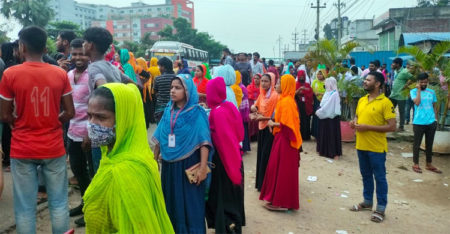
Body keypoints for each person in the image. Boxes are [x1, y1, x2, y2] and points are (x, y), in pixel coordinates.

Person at [0, 26, 75, 234]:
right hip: (53, 147)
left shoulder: (10, 74)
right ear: (45, 47)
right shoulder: (60, 74)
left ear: (22, 47)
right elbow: (70, 111)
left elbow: (3, 115)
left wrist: (16, 121)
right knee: (59, 202)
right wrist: (54, 119)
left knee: (25, 207)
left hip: (22, 148)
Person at [83, 84, 174, 233]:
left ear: (123, 119)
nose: (92, 124)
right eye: (90, 116)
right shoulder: (113, 157)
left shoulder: (126, 171)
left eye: (101, 117)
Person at [152, 74, 213, 233]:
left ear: (187, 91)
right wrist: (154, 158)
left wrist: (202, 167)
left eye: (177, 88)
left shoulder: (196, 112)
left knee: (189, 201)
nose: (172, 91)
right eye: (172, 87)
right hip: (169, 165)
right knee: (171, 199)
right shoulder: (168, 110)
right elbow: (160, 135)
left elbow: (204, 141)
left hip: (189, 163)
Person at [82, 27, 133, 173]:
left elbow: (103, 88)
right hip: (117, 125)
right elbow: (135, 85)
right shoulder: (112, 67)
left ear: (90, 45)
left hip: (101, 128)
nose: (83, 45)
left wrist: (89, 133)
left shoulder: (93, 68)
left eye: (85, 42)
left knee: (101, 172)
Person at [349, 71, 396, 223]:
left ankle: (381, 207)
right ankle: (368, 201)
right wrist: (353, 122)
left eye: (368, 80)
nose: (365, 81)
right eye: (365, 79)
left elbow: (392, 126)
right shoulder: (362, 100)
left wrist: (367, 127)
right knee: (366, 175)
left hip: (376, 148)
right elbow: (357, 117)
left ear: (377, 84)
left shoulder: (385, 102)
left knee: (380, 178)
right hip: (361, 145)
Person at [205, 77, 246, 234]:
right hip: (235, 156)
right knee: (232, 194)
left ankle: (227, 226)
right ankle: (233, 224)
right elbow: (239, 134)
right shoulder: (229, 106)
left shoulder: (217, 112)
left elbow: (223, 140)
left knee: (223, 195)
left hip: (223, 160)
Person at [260, 74, 302, 211]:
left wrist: (273, 123)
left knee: (282, 170)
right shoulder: (284, 99)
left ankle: (282, 202)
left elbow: (289, 126)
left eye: (279, 83)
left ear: (285, 86)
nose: (276, 85)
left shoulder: (287, 102)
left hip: (286, 141)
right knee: (277, 168)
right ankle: (278, 199)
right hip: (281, 138)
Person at [65, 38, 92, 227]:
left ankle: (92, 210)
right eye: (74, 54)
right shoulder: (68, 75)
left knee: (91, 172)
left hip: (89, 135)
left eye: (81, 53)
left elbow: (98, 105)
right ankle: (84, 203)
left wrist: (90, 133)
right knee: (78, 170)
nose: (77, 57)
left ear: (87, 54)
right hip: (72, 131)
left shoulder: (93, 75)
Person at [251, 73, 278, 191]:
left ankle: (267, 185)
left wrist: (262, 118)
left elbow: (276, 116)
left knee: (267, 156)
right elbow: (256, 106)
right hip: (261, 127)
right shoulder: (262, 94)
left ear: (271, 82)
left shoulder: (275, 96)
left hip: (270, 129)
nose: (263, 83)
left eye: (266, 81)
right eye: (262, 81)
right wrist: (254, 109)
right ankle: (261, 184)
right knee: (261, 155)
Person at [410, 73, 441, 174]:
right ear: (418, 82)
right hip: (419, 122)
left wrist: (436, 119)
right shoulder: (413, 91)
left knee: (429, 144)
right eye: (421, 82)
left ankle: (429, 164)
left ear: (427, 81)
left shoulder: (431, 92)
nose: (424, 83)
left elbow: (434, 105)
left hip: (431, 122)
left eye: (425, 81)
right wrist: (418, 90)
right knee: (417, 144)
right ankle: (416, 163)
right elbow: (417, 103)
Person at [315, 77, 342, 160]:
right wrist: (321, 110)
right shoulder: (327, 92)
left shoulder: (334, 94)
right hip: (324, 116)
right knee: (324, 134)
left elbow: (329, 106)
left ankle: (332, 152)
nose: (325, 85)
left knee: (331, 135)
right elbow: (323, 103)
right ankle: (323, 150)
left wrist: (320, 111)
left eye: (327, 83)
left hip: (331, 118)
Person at [389, 58, 413, 131]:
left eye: (393, 63)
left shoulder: (405, 72)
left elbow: (413, 78)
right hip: (393, 94)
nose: (392, 65)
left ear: (397, 64)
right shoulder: (396, 71)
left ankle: (401, 127)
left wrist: (407, 85)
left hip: (401, 95)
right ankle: (391, 125)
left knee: (401, 111)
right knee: (390, 110)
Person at [154, 57, 176, 123]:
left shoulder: (157, 78)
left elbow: (156, 92)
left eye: (159, 66)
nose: (159, 68)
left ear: (163, 67)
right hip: (174, 108)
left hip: (160, 109)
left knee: (161, 129)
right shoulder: (177, 77)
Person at [295, 70, 313, 141]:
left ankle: (306, 136)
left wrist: (305, 93)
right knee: (300, 119)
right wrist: (299, 91)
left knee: (306, 120)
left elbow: (310, 93)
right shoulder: (296, 84)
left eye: (303, 76)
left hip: (306, 104)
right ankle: (300, 135)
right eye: (300, 76)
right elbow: (293, 94)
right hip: (299, 104)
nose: (301, 78)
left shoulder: (307, 84)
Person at [236, 71, 251, 153]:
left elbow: (245, 103)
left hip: (242, 113)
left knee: (243, 130)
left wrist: (245, 114)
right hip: (239, 112)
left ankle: (244, 147)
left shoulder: (242, 87)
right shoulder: (235, 87)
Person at [311, 67, 327, 139]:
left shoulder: (326, 82)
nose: (319, 76)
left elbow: (329, 92)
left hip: (325, 102)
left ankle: (323, 134)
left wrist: (321, 94)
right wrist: (315, 93)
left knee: (322, 118)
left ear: (324, 74)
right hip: (316, 102)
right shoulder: (314, 82)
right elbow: (312, 91)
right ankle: (316, 134)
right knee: (316, 117)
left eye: (321, 74)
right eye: (318, 74)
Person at [247, 73, 261, 140]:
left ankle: (257, 135)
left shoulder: (262, 89)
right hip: (251, 104)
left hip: (260, 105)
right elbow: (248, 97)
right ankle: (252, 136)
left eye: (258, 79)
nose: (256, 80)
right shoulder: (249, 87)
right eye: (255, 78)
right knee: (251, 121)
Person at [148, 57, 161, 124]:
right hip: (157, 88)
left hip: (150, 88)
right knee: (156, 103)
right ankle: (157, 116)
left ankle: (152, 117)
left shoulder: (149, 69)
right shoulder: (158, 69)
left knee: (151, 103)